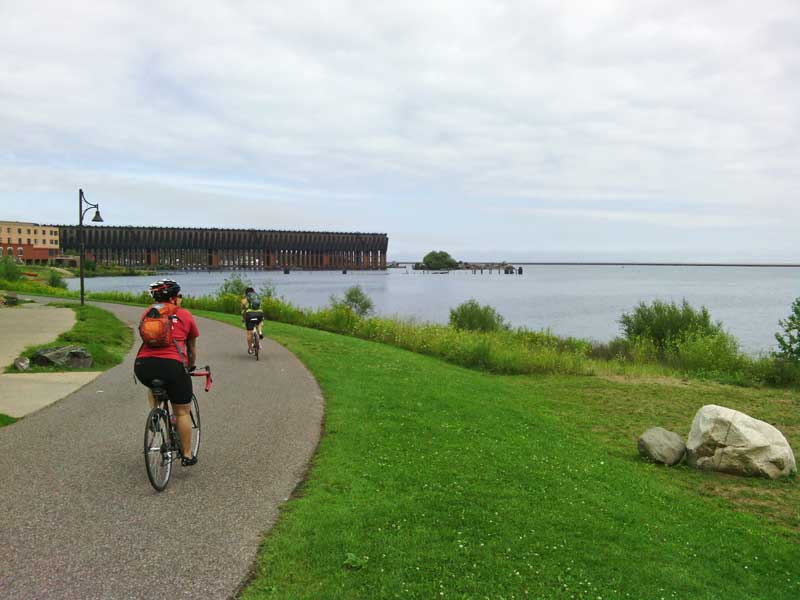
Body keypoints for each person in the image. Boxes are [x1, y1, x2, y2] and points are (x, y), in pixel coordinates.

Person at [134, 279, 200, 466]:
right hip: (172, 365)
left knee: (154, 382)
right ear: (173, 298)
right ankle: (187, 455)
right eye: (179, 296)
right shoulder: (184, 315)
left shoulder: (148, 313)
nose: (180, 299)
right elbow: (192, 348)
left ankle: (156, 412)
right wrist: (190, 366)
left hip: (143, 365)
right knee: (182, 412)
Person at [240, 287, 264, 354]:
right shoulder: (258, 298)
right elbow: (261, 307)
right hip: (259, 314)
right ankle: (260, 332)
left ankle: (250, 349)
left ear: (246, 293)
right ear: (254, 292)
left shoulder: (244, 300)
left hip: (250, 315)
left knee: (249, 333)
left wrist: (243, 319)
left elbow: (242, 311)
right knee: (260, 321)